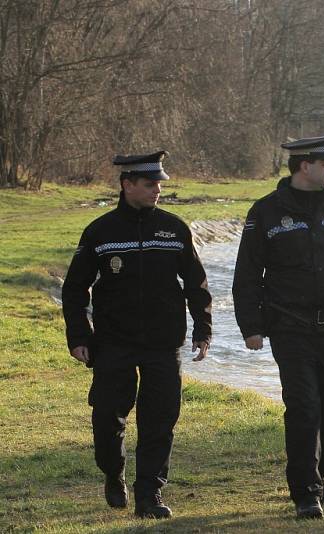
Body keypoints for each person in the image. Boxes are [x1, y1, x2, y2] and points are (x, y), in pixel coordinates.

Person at [232, 134, 324, 519]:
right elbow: (247, 274)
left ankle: (317, 473)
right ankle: (306, 494)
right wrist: (251, 325)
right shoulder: (265, 212)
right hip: (289, 326)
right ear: (305, 166)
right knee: (304, 407)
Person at [61, 151, 212, 520]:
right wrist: (80, 335)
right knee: (107, 419)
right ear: (128, 185)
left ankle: (149, 495)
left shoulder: (176, 229)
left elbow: (196, 284)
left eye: (160, 183)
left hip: (164, 343)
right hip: (114, 342)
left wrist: (202, 329)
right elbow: (75, 288)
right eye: (150, 184)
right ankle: (113, 473)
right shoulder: (99, 232)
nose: (157, 190)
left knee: (160, 420)